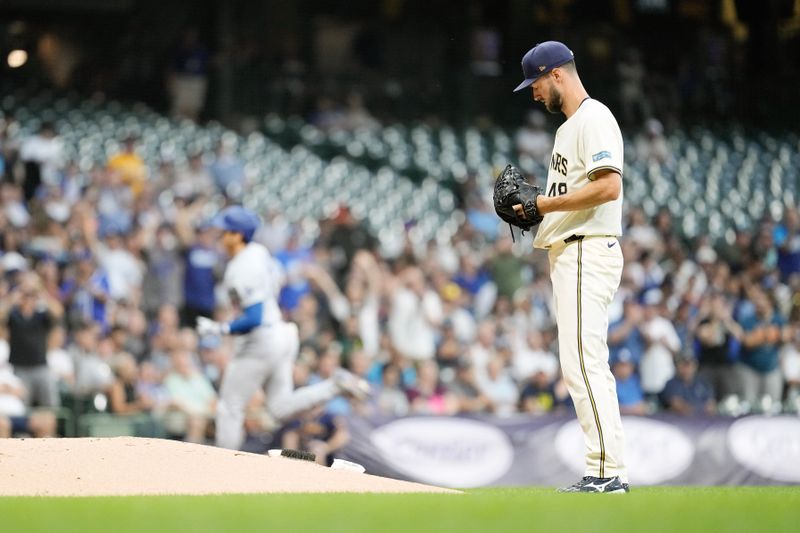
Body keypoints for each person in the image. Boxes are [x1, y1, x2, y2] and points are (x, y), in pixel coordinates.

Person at [513, 41, 628, 493]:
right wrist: (538, 210)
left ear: (556, 73)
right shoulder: (569, 129)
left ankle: (605, 472)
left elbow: (609, 187)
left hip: (586, 249)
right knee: (580, 363)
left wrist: (543, 202)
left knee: (584, 362)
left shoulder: (593, 118)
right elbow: (574, 194)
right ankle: (606, 469)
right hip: (572, 251)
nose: (534, 93)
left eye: (536, 83)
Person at [195, 206, 369, 450]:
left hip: (261, 338)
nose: (219, 235)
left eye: (225, 231)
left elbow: (253, 317)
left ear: (237, 235)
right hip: (280, 332)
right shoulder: (259, 251)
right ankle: (334, 386)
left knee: (230, 406)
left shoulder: (241, 268)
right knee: (279, 408)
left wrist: (219, 329)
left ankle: (224, 470)